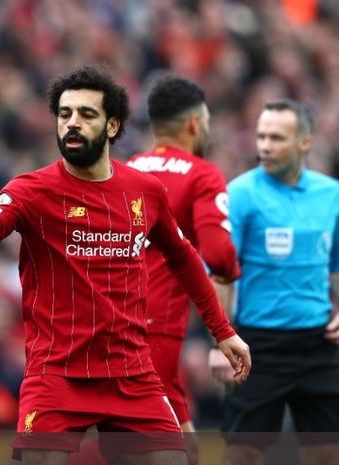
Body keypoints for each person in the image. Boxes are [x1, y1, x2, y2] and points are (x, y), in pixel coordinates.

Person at [0, 65, 251, 465]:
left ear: (113, 126)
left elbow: (184, 257)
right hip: (58, 377)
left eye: (86, 114)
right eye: (64, 114)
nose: (72, 124)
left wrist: (223, 332)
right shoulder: (33, 190)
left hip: (132, 376)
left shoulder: (145, 192)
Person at [207, 99, 339, 465]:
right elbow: (218, 274)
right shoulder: (240, 194)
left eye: (277, 138)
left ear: (305, 143)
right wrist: (221, 340)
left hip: (318, 345)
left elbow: (336, 266)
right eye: (262, 136)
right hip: (258, 345)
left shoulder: (332, 195)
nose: (264, 145)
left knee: (328, 454)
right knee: (242, 454)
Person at [126, 76, 241, 465]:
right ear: (194, 123)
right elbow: (220, 255)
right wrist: (222, 334)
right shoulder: (202, 174)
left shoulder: (126, 170)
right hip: (155, 331)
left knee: (186, 451)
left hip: (116, 321)